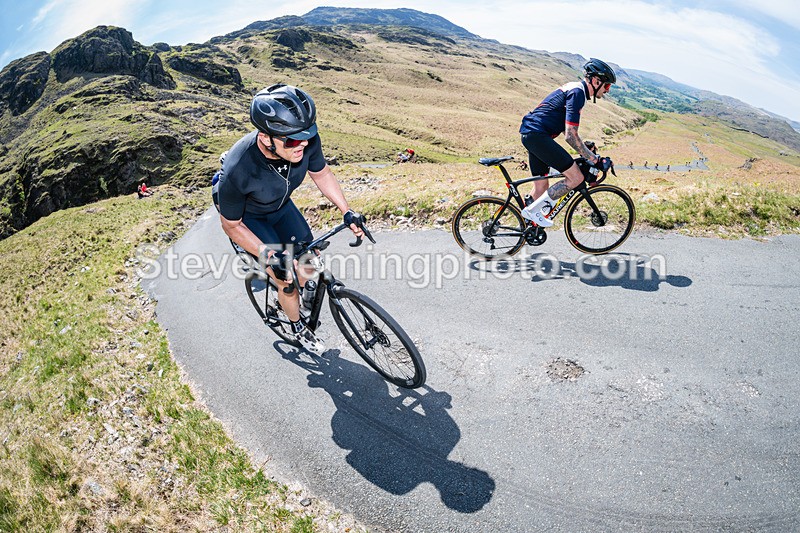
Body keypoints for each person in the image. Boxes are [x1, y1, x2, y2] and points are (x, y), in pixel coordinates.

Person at [213, 83, 364, 354]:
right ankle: (297, 328)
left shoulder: (304, 141)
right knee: (285, 278)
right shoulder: (238, 168)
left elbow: (322, 174)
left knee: (309, 259)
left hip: (282, 209)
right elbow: (230, 225)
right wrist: (270, 257)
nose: (303, 144)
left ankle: (297, 294)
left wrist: (346, 210)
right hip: (251, 222)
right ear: (265, 137)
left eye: (308, 135)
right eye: (293, 140)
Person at [519, 58, 616, 227]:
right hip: (538, 135)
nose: (607, 91)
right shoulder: (578, 93)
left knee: (541, 186)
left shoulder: (575, 89)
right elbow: (570, 136)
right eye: (606, 86)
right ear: (595, 81)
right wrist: (595, 160)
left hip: (532, 134)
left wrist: (585, 148)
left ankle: (525, 228)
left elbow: (563, 126)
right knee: (576, 177)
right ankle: (530, 213)